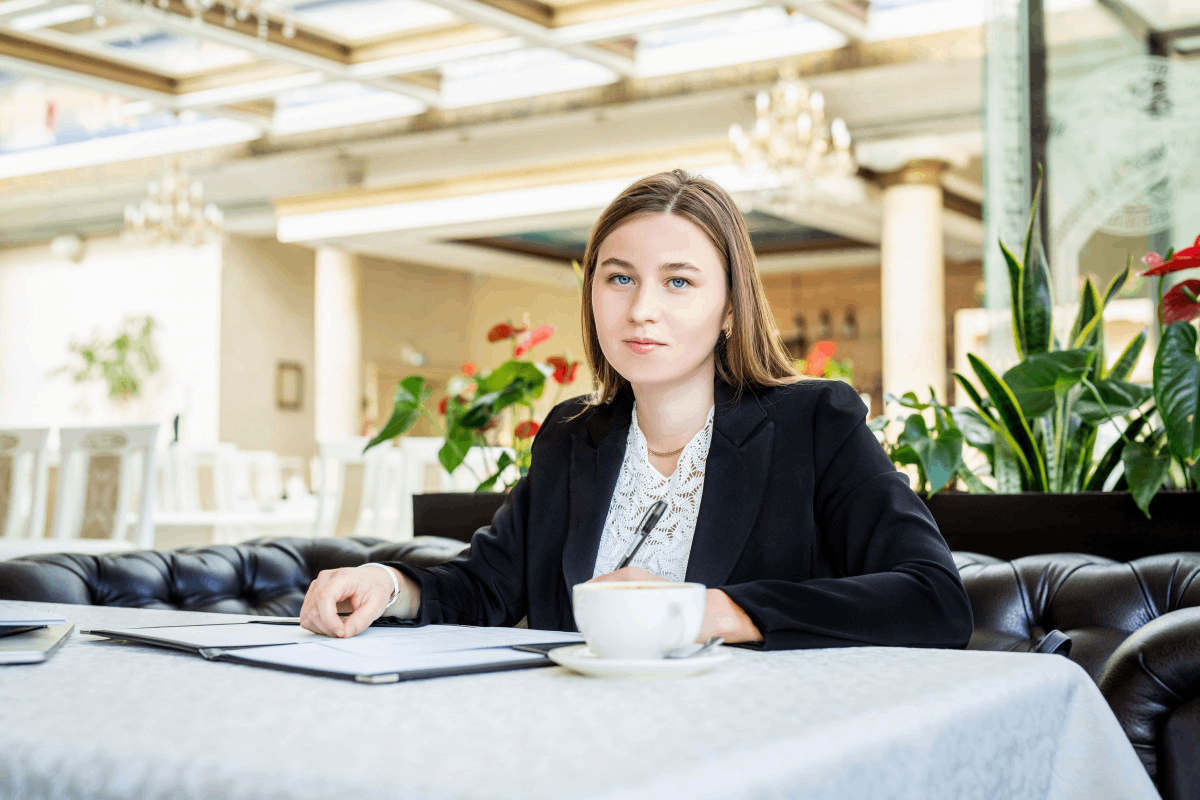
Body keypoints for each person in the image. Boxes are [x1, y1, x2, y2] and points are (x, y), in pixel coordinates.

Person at [299, 169, 974, 651]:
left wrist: (709, 611)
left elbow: (934, 598)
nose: (641, 309)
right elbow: (486, 587)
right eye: (619, 277)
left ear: (730, 308)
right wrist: (385, 583)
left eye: (678, 281)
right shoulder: (572, 436)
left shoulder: (813, 422)